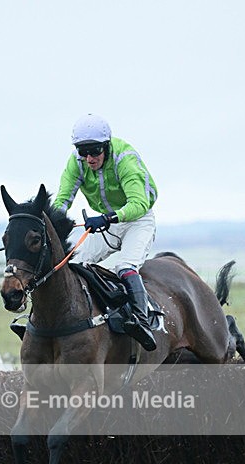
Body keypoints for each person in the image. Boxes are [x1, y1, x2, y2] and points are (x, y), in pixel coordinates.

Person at [54, 113, 158, 351]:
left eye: (95, 151)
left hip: (138, 221)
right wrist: (55, 220)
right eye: (83, 152)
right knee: (75, 264)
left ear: (107, 146)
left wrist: (108, 217)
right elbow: (63, 198)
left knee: (125, 266)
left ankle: (142, 322)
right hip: (108, 224)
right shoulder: (77, 162)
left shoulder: (125, 159)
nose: (89, 158)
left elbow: (139, 203)